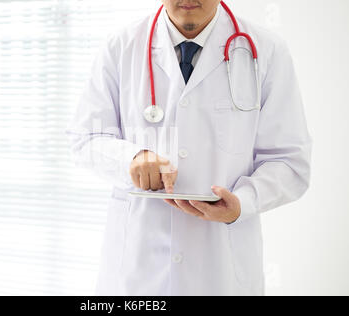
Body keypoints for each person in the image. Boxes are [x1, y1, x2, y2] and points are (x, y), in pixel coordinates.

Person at [66, 0, 312, 296]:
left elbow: (289, 161)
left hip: (221, 269)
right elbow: (85, 138)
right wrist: (131, 159)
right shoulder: (121, 46)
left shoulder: (267, 50)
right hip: (138, 270)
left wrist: (242, 203)